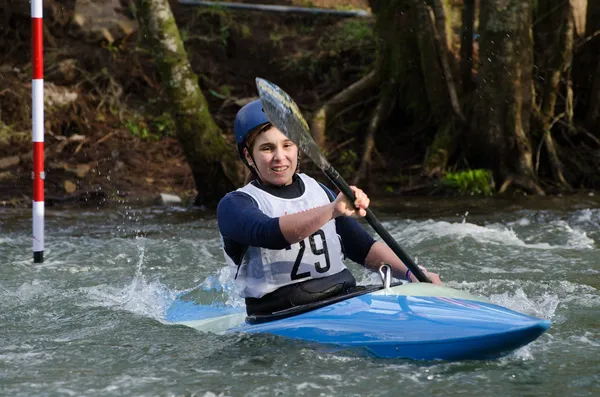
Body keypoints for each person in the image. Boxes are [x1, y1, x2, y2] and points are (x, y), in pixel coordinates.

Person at [217, 99, 441, 316]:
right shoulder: (234, 205)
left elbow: (362, 248)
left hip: (342, 297)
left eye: (287, 145)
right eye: (267, 148)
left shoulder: (319, 191)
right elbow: (269, 234)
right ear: (248, 155)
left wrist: (413, 273)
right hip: (281, 313)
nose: (280, 157)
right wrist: (333, 209)